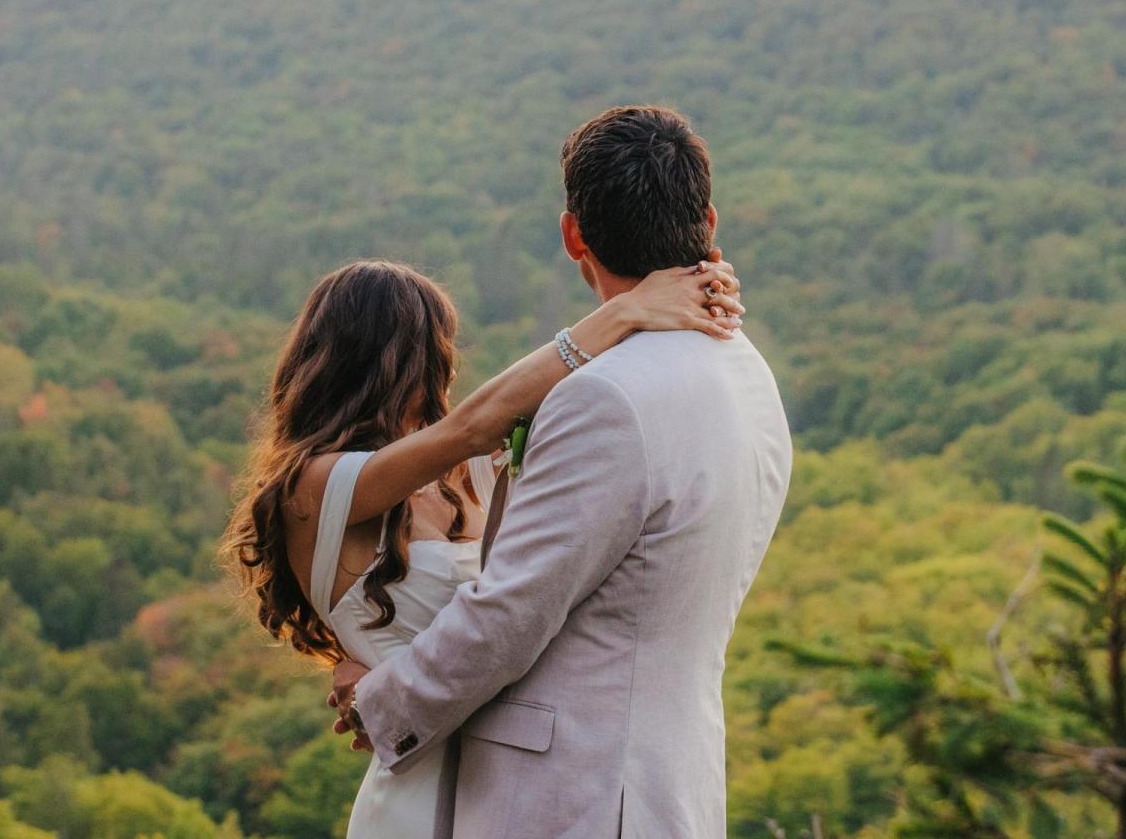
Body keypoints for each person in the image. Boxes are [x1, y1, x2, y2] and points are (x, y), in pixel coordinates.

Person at [328, 105, 793, 839]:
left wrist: (387, 701)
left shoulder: (604, 398)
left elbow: (513, 611)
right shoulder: (747, 369)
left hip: (573, 795)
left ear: (573, 234)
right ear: (708, 219)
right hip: (673, 780)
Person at [222, 246, 744, 834]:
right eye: (438, 348)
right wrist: (627, 311)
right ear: (394, 362)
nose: (447, 368)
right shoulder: (313, 488)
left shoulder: (458, 481)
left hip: (510, 790)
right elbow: (476, 424)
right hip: (417, 800)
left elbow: (552, 413)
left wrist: (692, 287)